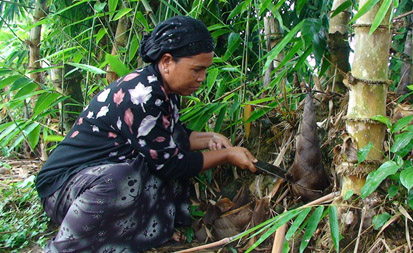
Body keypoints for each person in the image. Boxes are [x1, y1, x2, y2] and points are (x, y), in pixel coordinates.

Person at [36, 15, 257, 252]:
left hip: (90, 181)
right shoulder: (142, 95)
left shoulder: (163, 89)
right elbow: (170, 164)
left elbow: (169, 136)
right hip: (64, 188)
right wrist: (227, 155)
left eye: (205, 70)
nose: (202, 78)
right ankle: (67, 246)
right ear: (167, 61)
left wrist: (210, 138)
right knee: (122, 177)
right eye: (197, 69)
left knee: (142, 171)